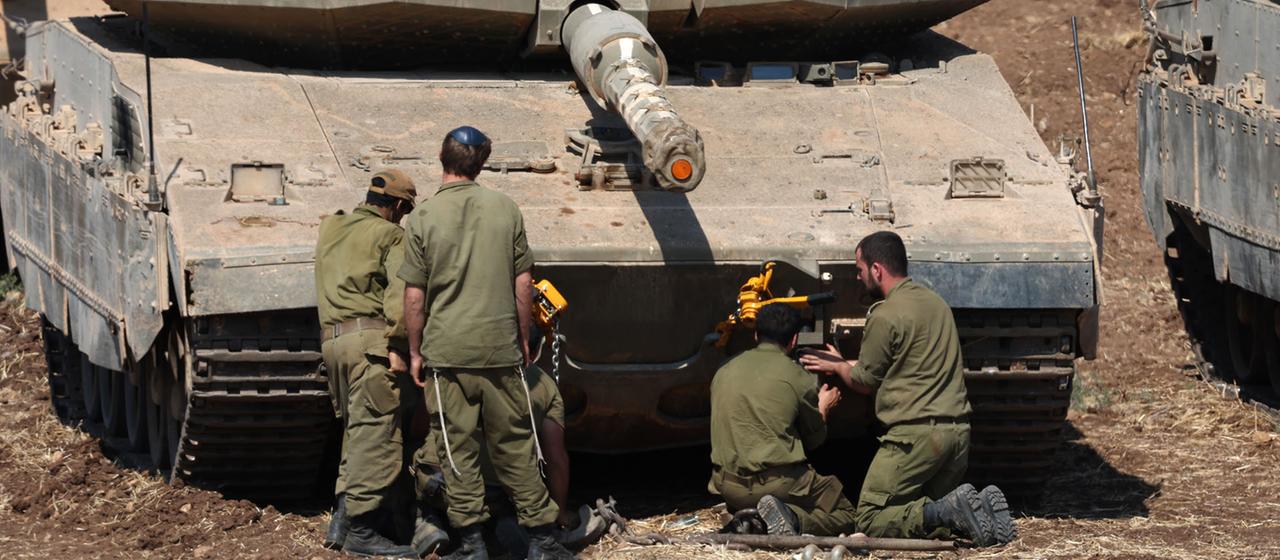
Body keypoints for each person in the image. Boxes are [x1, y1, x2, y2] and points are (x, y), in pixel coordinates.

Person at [400, 126, 575, 560]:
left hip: (447, 353)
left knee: (456, 451)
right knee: (515, 445)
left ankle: (472, 542)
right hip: (500, 350)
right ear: (481, 162)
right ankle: (543, 538)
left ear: (442, 159)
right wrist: (520, 337)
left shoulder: (422, 217)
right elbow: (523, 283)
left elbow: (414, 294)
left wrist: (416, 350)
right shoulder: (506, 209)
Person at [798, 231, 1016, 546]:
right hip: (956, 438)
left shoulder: (885, 314)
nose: (859, 278)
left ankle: (952, 512)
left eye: (860, 271)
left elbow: (864, 381)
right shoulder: (936, 304)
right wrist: (848, 362)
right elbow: (909, 359)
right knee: (923, 515)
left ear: (876, 270)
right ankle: (981, 514)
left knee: (871, 517)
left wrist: (838, 367)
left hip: (915, 439)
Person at [315, 169, 419, 557]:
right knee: (378, 435)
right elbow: (398, 295)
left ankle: (342, 521)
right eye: (404, 210)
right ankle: (362, 530)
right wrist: (398, 342)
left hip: (333, 342)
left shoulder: (331, 228)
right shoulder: (392, 235)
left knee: (356, 433)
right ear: (395, 207)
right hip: (371, 345)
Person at [708, 303, 856, 536]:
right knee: (848, 514)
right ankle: (794, 520)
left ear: (756, 334)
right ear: (794, 340)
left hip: (728, 487)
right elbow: (815, 440)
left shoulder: (723, 370)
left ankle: (755, 520)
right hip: (778, 485)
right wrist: (823, 407)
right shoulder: (799, 377)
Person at [413, 362, 577, 558]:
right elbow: (556, 458)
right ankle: (502, 526)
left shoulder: (450, 368)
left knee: (419, 454)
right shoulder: (545, 385)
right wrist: (559, 512)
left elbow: (418, 427)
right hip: (496, 494)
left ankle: (429, 521)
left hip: (440, 484)